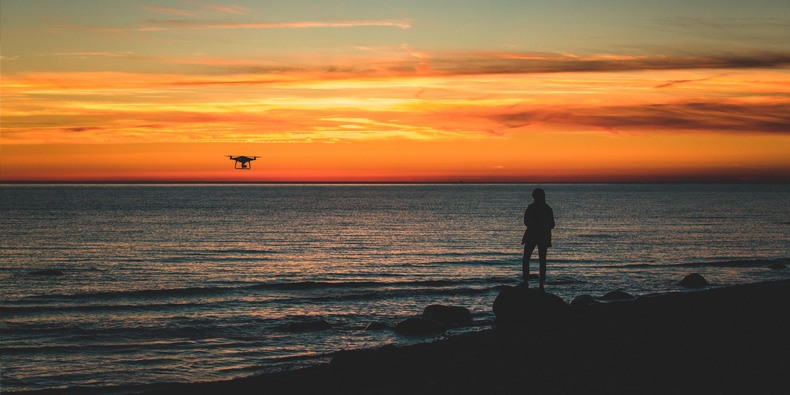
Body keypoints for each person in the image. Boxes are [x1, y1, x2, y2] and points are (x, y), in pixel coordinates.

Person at [521, 188, 555, 289]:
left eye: (535, 196)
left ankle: (533, 282)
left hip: (536, 236)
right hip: (538, 236)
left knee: (531, 259)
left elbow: (551, 224)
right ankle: (535, 282)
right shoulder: (546, 208)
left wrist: (537, 225)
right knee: (539, 260)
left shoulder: (538, 208)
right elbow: (526, 221)